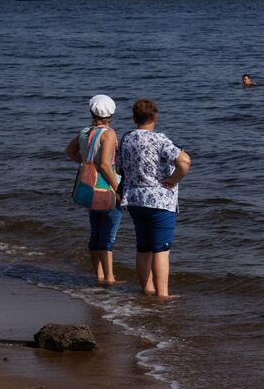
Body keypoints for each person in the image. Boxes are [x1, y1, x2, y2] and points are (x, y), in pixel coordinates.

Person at [116, 99, 191, 299]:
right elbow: (184, 161)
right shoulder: (159, 139)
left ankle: (147, 288)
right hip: (159, 201)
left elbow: (119, 168)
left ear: (134, 118)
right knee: (161, 250)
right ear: (155, 117)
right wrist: (174, 180)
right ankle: (162, 295)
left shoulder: (126, 139)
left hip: (134, 199)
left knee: (143, 247)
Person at [64, 95, 123, 285]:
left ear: (91, 112)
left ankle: (98, 275)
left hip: (89, 185)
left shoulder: (84, 132)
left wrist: (84, 164)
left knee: (95, 232)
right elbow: (106, 165)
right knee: (108, 234)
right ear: (111, 114)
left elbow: (70, 150)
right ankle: (110, 277)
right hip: (105, 187)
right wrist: (119, 188)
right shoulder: (109, 134)